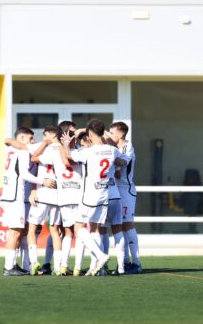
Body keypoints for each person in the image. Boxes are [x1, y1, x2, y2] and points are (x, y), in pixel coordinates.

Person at [62, 118, 127, 276]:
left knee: (79, 228)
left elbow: (68, 156)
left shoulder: (87, 151)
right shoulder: (111, 150)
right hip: (105, 194)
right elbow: (122, 161)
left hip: (90, 195)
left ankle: (100, 255)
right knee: (97, 229)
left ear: (90, 134)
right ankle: (97, 267)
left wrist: (65, 142)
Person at [0, 127, 56, 276]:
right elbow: (24, 174)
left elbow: (7, 141)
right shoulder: (23, 151)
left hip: (10, 194)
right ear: (22, 139)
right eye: (30, 139)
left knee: (19, 232)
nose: (33, 141)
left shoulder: (12, 151)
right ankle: (8, 267)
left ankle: (14, 265)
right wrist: (42, 181)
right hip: (14, 196)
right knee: (15, 232)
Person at [107, 122, 142, 274]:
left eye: (111, 132)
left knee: (128, 224)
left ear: (120, 134)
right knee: (118, 226)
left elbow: (122, 162)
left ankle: (137, 262)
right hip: (115, 190)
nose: (109, 134)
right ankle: (125, 262)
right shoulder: (113, 148)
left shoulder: (128, 147)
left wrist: (110, 152)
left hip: (125, 189)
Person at [27, 125, 62, 275]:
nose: (43, 136)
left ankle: (34, 262)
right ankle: (59, 266)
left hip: (44, 193)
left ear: (51, 135)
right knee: (55, 231)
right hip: (58, 195)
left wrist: (43, 144)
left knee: (32, 229)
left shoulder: (49, 149)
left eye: (45, 134)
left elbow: (34, 158)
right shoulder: (64, 149)